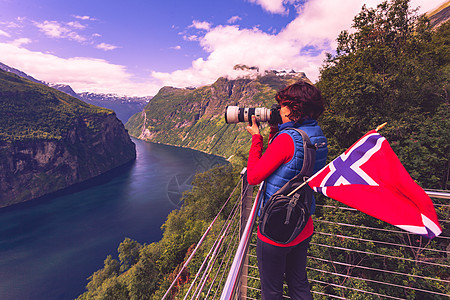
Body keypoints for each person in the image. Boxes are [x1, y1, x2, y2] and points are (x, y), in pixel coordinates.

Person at [246, 80, 328, 299]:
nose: (279, 110)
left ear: (294, 108)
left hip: (276, 228)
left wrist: (257, 138)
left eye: (283, 105)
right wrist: (277, 129)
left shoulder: (287, 140)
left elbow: (253, 177)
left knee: (272, 291)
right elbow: (294, 166)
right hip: (303, 223)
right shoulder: (318, 135)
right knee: (299, 284)